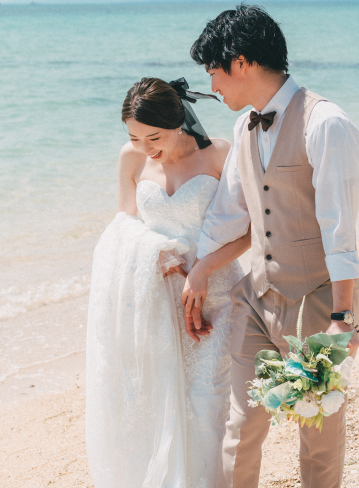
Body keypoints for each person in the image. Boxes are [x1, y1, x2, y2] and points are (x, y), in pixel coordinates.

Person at [184, 4, 359, 488]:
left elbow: (339, 228)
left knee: (318, 435)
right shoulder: (245, 128)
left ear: (241, 63)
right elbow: (228, 217)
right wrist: (198, 269)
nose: (213, 86)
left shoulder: (325, 123)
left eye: (214, 72)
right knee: (240, 427)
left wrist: (343, 318)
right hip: (257, 297)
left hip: (319, 300)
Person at [86, 77, 250, 488]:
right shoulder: (132, 159)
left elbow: (252, 231)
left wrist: (201, 269)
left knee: (207, 403)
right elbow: (124, 227)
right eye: (134, 136)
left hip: (218, 295)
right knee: (159, 404)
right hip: (159, 301)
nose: (145, 147)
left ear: (178, 122)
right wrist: (159, 253)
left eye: (153, 136)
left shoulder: (219, 155)